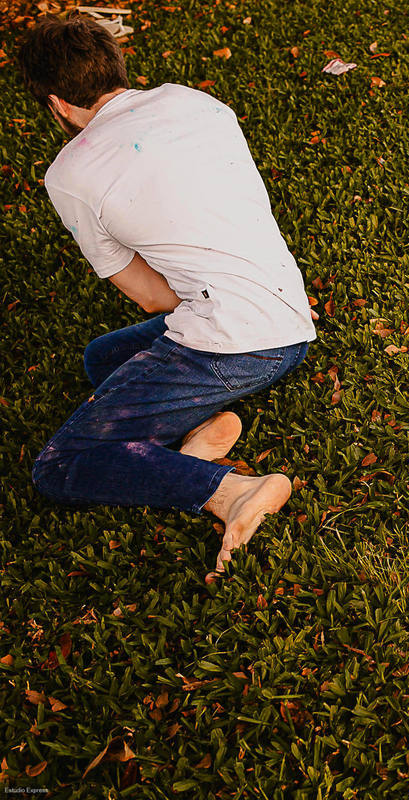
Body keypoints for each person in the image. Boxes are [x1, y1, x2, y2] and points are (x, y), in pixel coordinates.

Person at [19, 16, 317, 578]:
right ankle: (189, 440)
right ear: (116, 63)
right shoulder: (194, 101)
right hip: (290, 318)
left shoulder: (70, 172)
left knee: (62, 466)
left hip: (233, 344)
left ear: (57, 104)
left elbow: (155, 298)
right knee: (101, 358)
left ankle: (231, 491)